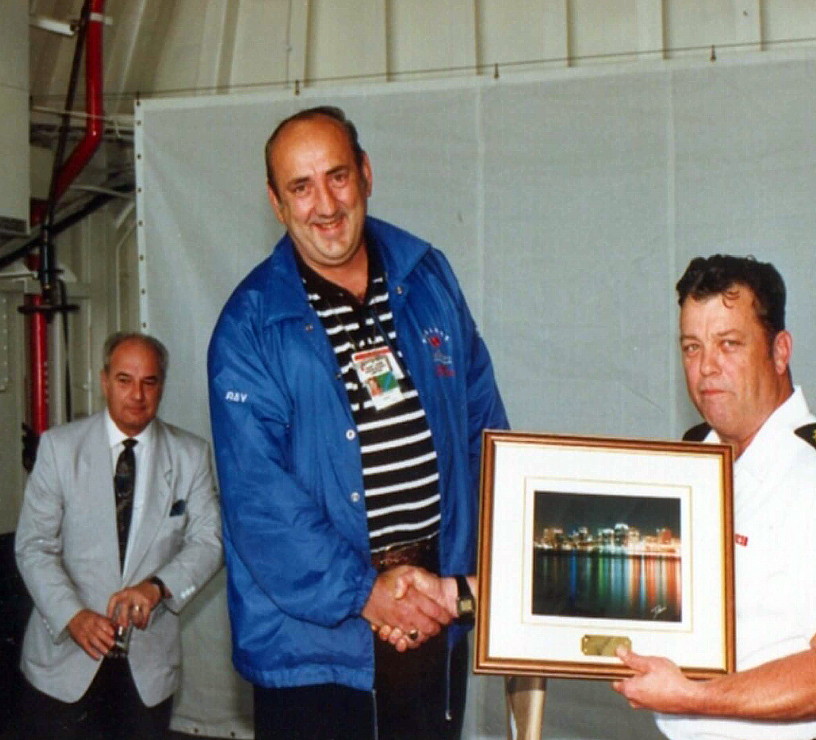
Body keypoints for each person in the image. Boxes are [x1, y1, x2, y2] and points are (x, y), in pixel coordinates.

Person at [207, 105, 507, 739]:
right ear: (275, 201)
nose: (325, 203)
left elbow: (486, 433)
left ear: (366, 173)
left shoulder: (429, 277)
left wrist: (468, 584)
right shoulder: (248, 326)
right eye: (300, 186)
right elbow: (259, 502)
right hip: (316, 647)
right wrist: (366, 594)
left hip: (434, 617)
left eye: (337, 176)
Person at [612, 255, 816, 740]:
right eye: (691, 347)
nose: (706, 368)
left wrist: (692, 696)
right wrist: (468, 595)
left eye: (729, 344)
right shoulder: (693, 458)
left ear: (780, 350)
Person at [14, 331, 223, 739]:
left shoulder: (191, 454)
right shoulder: (59, 448)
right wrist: (72, 615)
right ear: (104, 380)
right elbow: (33, 546)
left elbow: (210, 541)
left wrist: (158, 588)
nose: (137, 395)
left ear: (162, 386)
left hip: (147, 671)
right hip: (62, 662)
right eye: (125, 380)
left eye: (149, 382)